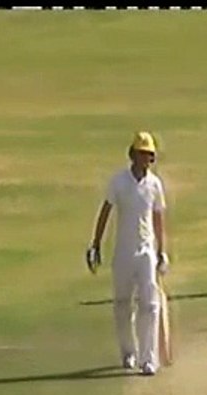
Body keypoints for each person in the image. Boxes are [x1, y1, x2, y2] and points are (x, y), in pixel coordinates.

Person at [87, 131, 169, 376]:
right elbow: (106, 211)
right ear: (132, 155)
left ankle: (148, 358)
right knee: (123, 305)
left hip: (146, 252)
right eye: (142, 154)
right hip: (123, 252)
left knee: (150, 305)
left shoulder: (155, 184)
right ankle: (128, 352)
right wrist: (96, 244)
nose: (146, 159)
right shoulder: (119, 182)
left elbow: (158, 218)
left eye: (149, 155)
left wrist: (162, 251)